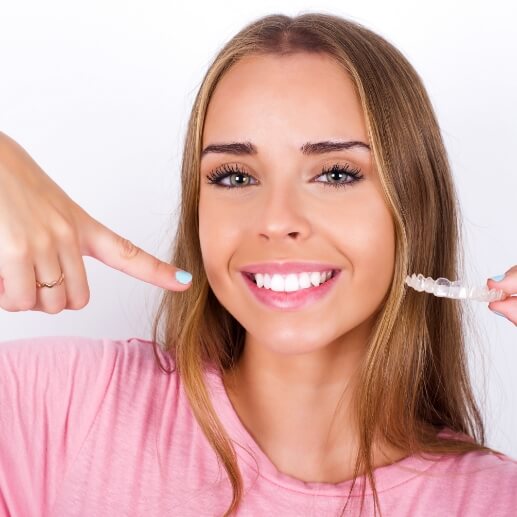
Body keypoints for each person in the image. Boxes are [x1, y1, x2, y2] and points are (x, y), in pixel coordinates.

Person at [0, 12, 516, 517]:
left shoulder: (496, 500)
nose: (276, 220)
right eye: (235, 177)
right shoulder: (58, 408)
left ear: (414, 206)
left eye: (335, 174)